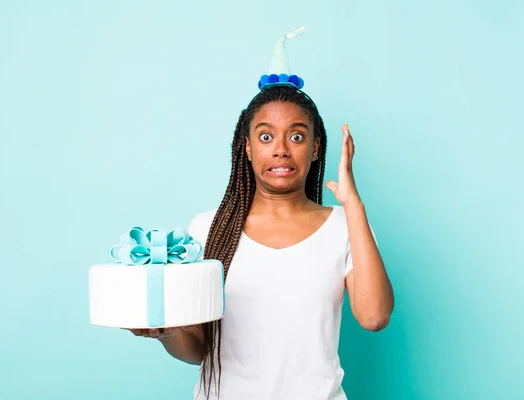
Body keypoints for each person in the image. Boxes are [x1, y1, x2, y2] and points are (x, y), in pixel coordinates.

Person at [128, 29, 394, 400]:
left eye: (297, 137)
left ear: (316, 149)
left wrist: (354, 205)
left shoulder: (345, 225)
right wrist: (167, 331)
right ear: (248, 148)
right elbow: (197, 350)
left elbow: (374, 317)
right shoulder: (208, 229)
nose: (282, 149)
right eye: (266, 137)